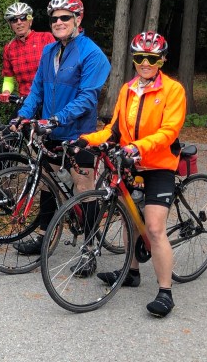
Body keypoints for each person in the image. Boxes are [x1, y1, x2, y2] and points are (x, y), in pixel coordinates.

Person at [75, 31, 186, 318]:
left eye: (151, 58)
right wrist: (85, 140)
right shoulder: (127, 89)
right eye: (140, 57)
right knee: (130, 220)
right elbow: (114, 131)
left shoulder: (173, 90)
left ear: (162, 60)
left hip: (158, 165)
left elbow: (169, 131)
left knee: (154, 228)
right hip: (130, 163)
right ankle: (131, 272)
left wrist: (138, 147)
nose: (145, 63)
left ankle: (165, 292)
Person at [13, 0, 111, 255]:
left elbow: (87, 98)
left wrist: (57, 118)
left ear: (78, 19)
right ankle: (45, 238)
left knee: (84, 187)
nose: (58, 22)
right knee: (48, 183)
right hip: (51, 131)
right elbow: (37, 90)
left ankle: (90, 249)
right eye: (54, 18)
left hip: (79, 133)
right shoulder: (49, 51)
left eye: (65, 17)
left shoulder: (92, 54)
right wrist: (22, 116)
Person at [0, 1, 55, 101]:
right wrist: (6, 92)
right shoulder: (9, 48)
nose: (19, 22)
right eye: (14, 20)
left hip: (49, 97)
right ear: (10, 25)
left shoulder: (45, 38)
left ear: (30, 21)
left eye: (23, 18)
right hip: (26, 100)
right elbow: (8, 78)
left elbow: (60, 68)